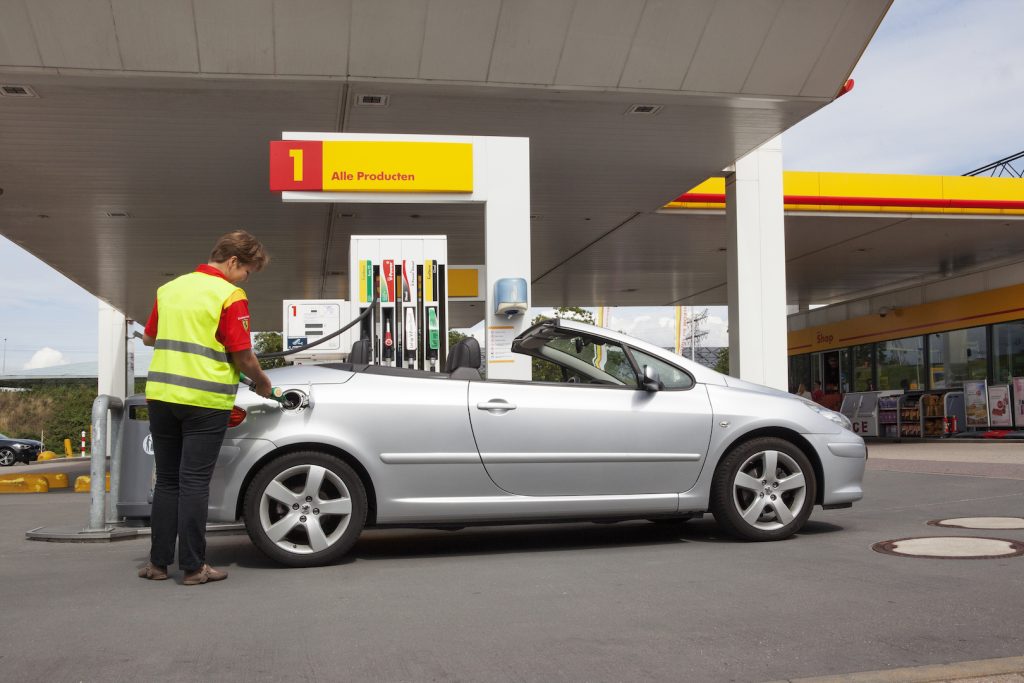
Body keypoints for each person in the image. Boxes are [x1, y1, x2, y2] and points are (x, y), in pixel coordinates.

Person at [138, 230, 272, 585]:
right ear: (232, 262)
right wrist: (262, 382)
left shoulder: (170, 289)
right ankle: (195, 567)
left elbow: (150, 337)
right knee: (194, 482)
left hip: (162, 396)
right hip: (204, 401)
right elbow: (242, 355)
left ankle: (157, 564)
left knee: (167, 480)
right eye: (248, 271)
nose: (247, 279)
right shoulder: (229, 294)